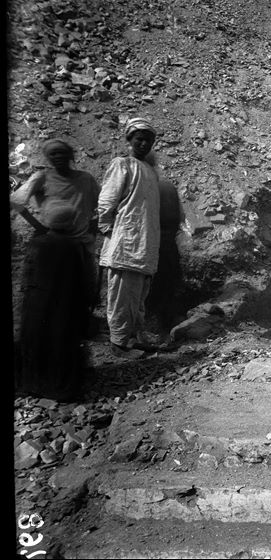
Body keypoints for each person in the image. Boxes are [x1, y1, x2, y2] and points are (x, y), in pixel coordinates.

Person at [15, 203, 95, 402]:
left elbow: (26, 278)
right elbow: (86, 280)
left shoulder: (36, 244)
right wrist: (88, 303)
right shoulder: (75, 247)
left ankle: (32, 384)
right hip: (64, 306)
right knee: (60, 344)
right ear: (71, 223)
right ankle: (60, 389)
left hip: (36, 305)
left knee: (35, 342)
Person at [10, 139, 100, 310]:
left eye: (62, 152)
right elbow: (16, 201)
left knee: (84, 290)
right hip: (53, 243)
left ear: (71, 155)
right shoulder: (42, 177)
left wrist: (93, 227)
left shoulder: (86, 179)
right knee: (50, 291)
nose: (58, 156)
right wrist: (39, 227)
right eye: (53, 153)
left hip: (81, 243)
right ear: (48, 158)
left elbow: (103, 204)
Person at [98, 117, 161, 357]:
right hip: (126, 241)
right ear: (129, 139)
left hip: (145, 243)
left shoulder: (150, 171)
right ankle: (119, 343)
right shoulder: (121, 164)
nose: (144, 144)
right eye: (139, 139)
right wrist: (107, 227)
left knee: (138, 296)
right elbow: (107, 199)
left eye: (148, 141)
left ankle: (132, 339)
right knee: (122, 295)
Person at [145, 175, 185, 335]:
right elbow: (181, 217)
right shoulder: (168, 187)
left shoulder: (144, 190)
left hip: (150, 248)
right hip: (169, 249)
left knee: (151, 290)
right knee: (169, 285)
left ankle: (151, 326)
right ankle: (167, 323)